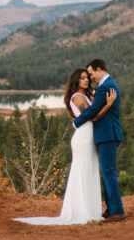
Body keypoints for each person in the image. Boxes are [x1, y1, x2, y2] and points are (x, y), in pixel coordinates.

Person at [14, 67, 116, 225]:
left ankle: (90, 209)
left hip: (89, 137)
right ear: (76, 80)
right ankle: (82, 211)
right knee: (82, 170)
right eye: (82, 77)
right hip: (83, 138)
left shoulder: (85, 96)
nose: (86, 80)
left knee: (89, 170)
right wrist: (108, 105)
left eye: (87, 77)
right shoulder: (77, 97)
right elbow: (93, 117)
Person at [73, 59, 126, 222]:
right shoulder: (108, 85)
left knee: (108, 172)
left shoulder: (105, 87)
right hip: (108, 134)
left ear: (99, 69)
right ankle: (111, 209)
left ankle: (117, 211)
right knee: (107, 172)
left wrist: (77, 122)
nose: (90, 78)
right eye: (87, 76)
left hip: (107, 135)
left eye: (91, 74)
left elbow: (93, 111)